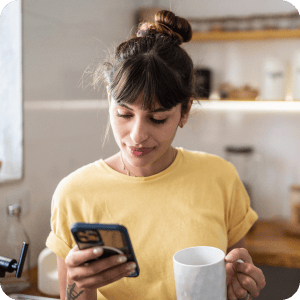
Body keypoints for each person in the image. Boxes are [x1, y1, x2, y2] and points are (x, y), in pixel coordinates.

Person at [46, 10, 266, 300]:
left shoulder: (220, 178)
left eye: (158, 118)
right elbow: (71, 296)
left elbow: (230, 279)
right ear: (109, 100)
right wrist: (82, 286)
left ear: (184, 111)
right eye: (124, 114)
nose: (137, 135)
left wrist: (242, 288)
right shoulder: (74, 193)